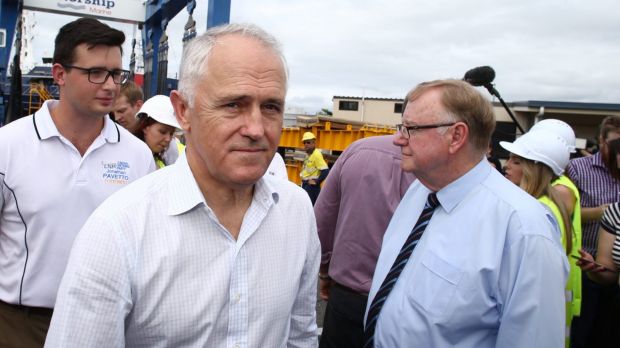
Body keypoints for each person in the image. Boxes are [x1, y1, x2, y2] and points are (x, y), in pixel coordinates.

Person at [45, 23, 320, 347]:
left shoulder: (296, 211)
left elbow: (300, 337)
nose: (256, 128)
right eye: (233, 105)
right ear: (183, 111)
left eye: (271, 107)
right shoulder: (117, 231)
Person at [363, 79, 568, 348]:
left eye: (410, 129)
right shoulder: (419, 192)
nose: (398, 138)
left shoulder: (523, 230)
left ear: (456, 136)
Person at [0, 18, 154, 348]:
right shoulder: (9, 146)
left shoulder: (137, 156)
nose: (111, 85)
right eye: (96, 73)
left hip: (106, 323)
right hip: (21, 325)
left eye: (116, 73)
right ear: (60, 75)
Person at [315, 134, 416, 348]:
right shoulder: (437, 165)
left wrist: (324, 271)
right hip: (407, 307)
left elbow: (322, 220)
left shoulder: (357, 150)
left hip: (349, 297)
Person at [500, 128, 580, 346]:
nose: (507, 166)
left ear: (533, 169)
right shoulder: (545, 204)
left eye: (516, 161)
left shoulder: (539, 212)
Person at [567, 115, 620, 348]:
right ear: (601, 140)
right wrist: (599, 212)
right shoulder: (577, 169)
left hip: (616, 276)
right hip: (587, 266)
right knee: (584, 334)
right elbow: (565, 213)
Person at [132, 94, 183, 168]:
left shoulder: (158, 161)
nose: (168, 139)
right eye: (162, 132)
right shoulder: (130, 159)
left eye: (171, 134)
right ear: (145, 127)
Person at [300, 131, 329, 205]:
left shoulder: (317, 154)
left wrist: (317, 181)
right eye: (304, 143)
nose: (306, 144)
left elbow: (325, 171)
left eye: (308, 142)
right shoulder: (309, 155)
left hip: (311, 187)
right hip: (306, 185)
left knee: (310, 208)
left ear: (314, 143)